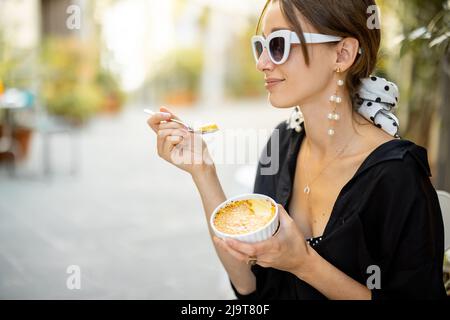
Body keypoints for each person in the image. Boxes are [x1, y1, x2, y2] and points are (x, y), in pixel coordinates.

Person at [147, 0, 446, 299]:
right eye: (260, 46)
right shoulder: (281, 144)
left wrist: (303, 263)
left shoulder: (397, 174)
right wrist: (203, 171)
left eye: (279, 44)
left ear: (342, 54)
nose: (262, 62)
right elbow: (249, 284)